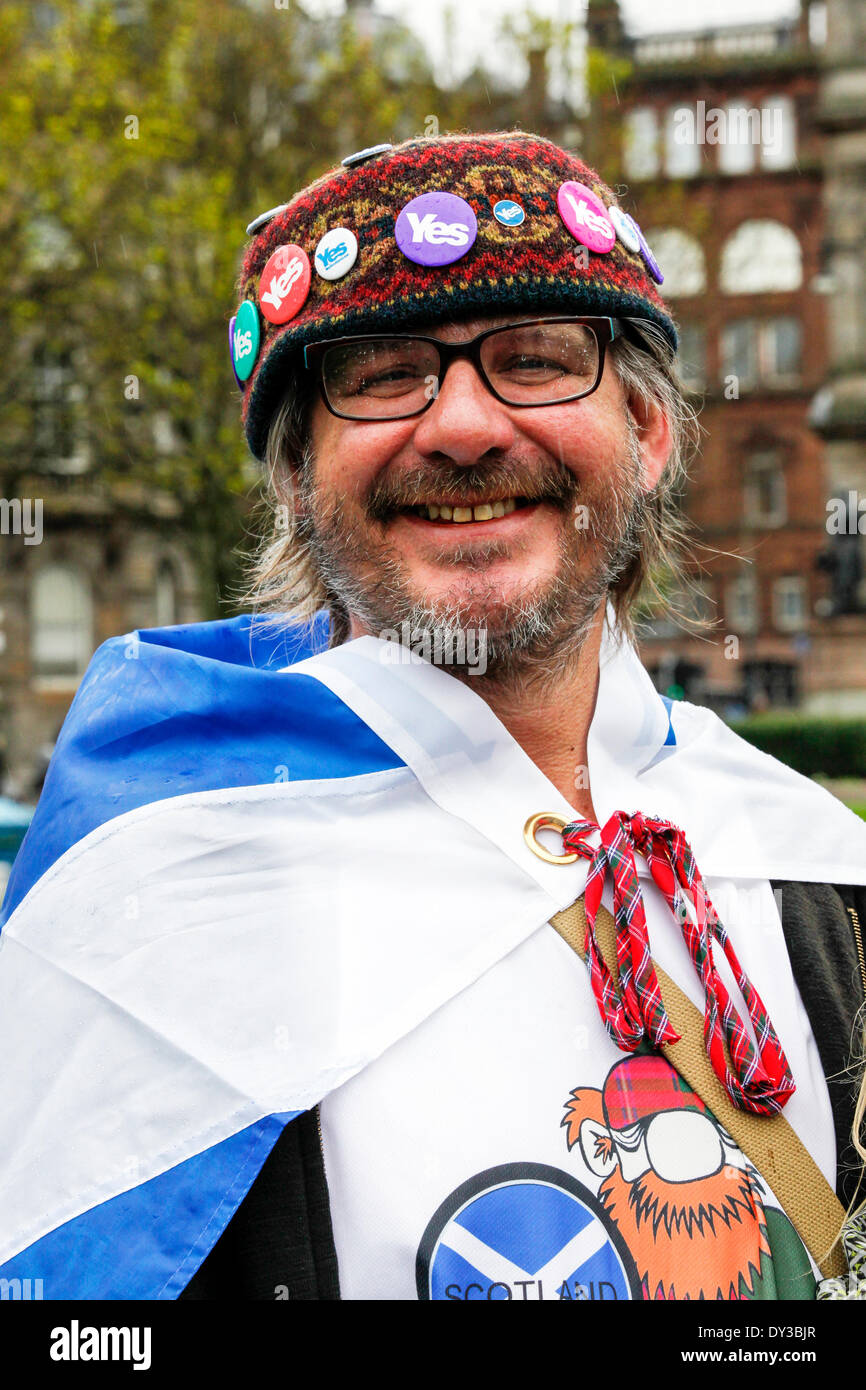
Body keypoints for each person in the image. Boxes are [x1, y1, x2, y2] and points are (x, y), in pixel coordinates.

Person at [1, 131, 865, 1302]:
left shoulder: (814, 871)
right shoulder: (149, 891)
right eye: (379, 370)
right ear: (297, 474)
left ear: (650, 433)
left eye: (536, 357)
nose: (460, 426)